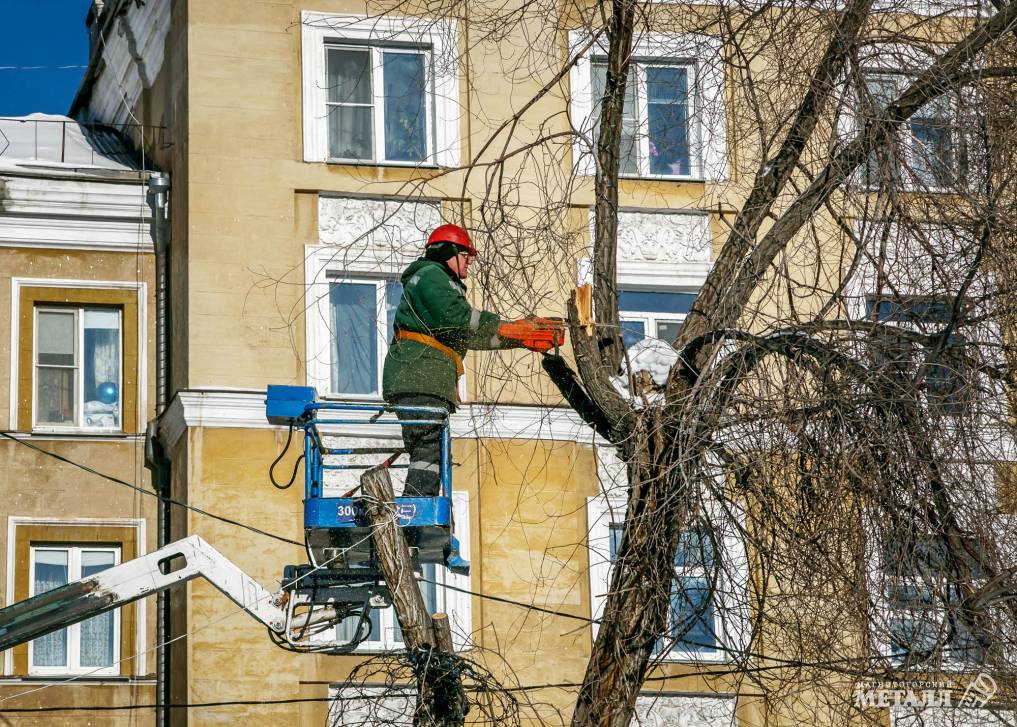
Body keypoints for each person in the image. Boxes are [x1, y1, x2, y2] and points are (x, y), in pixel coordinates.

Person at [382, 224, 520, 497]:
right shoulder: (433, 276)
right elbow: (458, 317)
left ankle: (420, 504)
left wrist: (517, 338)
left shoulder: (439, 282)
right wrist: (507, 326)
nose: (469, 262)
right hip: (420, 376)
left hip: (421, 378)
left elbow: (466, 336)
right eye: (465, 255)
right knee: (428, 447)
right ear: (448, 252)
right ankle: (418, 506)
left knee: (429, 448)